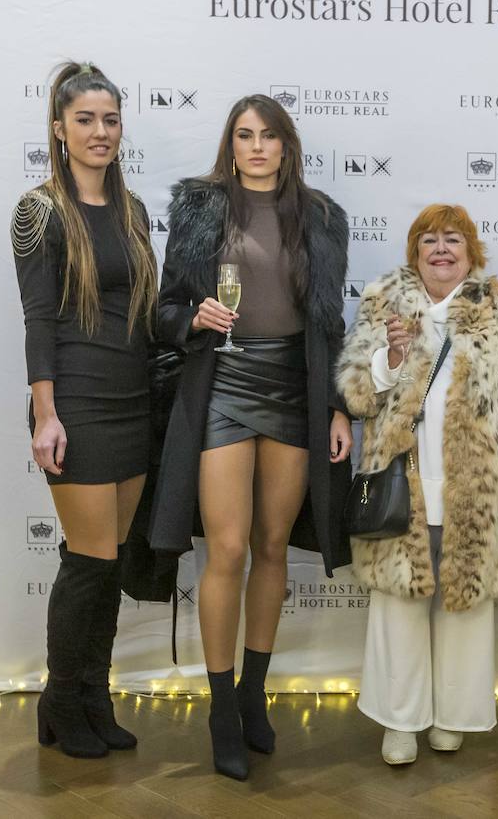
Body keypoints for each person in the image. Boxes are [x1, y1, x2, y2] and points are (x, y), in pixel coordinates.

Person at [148, 94, 352, 780]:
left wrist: (340, 408)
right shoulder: (200, 208)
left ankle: (253, 695)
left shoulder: (323, 218)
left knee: (271, 546)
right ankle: (218, 710)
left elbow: (328, 325)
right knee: (227, 549)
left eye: (268, 135)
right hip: (225, 386)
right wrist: (192, 317)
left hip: (296, 391)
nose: (257, 146)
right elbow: (167, 308)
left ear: (287, 144)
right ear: (229, 144)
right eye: (244, 135)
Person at [337, 205, 498, 767]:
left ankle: (453, 716)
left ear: (471, 250)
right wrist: (391, 358)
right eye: (428, 240)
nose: (440, 250)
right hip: (399, 480)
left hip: (476, 488)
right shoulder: (385, 302)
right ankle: (400, 720)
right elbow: (359, 393)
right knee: (399, 605)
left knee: (463, 605)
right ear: (414, 252)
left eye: (451, 239)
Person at [11, 61, 157, 759]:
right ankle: (61, 701)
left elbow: (144, 312)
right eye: (86, 120)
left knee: (113, 560)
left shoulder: (132, 211)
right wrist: (46, 414)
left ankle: (95, 699)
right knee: (89, 562)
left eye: (110, 119)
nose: (100, 132)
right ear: (60, 128)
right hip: (77, 405)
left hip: (133, 402)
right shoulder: (37, 210)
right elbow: (39, 320)